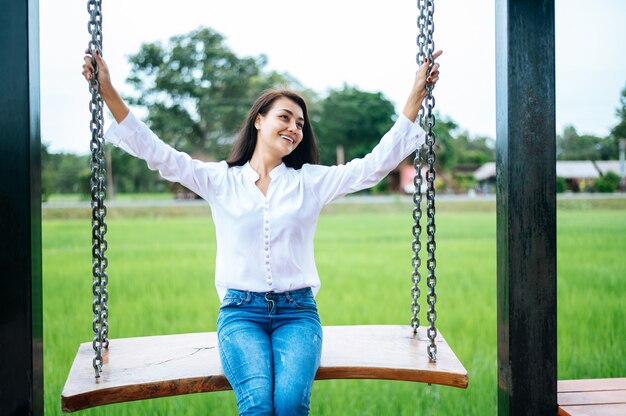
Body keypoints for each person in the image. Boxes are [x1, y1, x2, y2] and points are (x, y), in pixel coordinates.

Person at [82, 48, 441, 416]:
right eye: (285, 117)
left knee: (289, 405)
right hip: (240, 314)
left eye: (300, 123)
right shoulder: (220, 180)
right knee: (255, 405)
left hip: (297, 313)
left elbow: (374, 166)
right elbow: (159, 154)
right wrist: (108, 92)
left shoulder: (311, 183)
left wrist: (415, 96)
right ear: (258, 121)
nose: (294, 128)